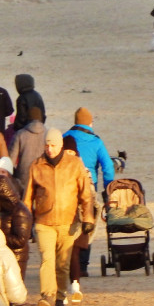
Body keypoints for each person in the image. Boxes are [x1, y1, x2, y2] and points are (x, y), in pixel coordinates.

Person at [24, 128, 95, 306]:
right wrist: (26, 223)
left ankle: (60, 298)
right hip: (43, 221)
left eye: (53, 145)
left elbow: (86, 194)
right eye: (47, 145)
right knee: (47, 260)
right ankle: (47, 296)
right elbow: (28, 197)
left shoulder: (74, 164)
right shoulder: (36, 166)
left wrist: (88, 218)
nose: (50, 149)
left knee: (62, 263)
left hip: (67, 221)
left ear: (61, 145)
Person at [64, 106, 114, 290]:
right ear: (90, 123)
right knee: (88, 222)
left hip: (67, 187)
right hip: (88, 187)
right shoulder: (96, 141)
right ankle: (83, 266)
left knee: (69, 223)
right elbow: (108, 167)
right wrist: (108, 189)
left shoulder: (65, 138)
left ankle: (67, 261)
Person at [0, 167, 34, 280]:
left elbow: (20, 240)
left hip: (16, 256)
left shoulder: (20, 211)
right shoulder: (2, 209)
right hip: (2, 255)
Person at [9, 106, 46, 193]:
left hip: (23, 176)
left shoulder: (20, 134)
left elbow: (11, 159)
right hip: (43, 175)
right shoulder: (48, 133)